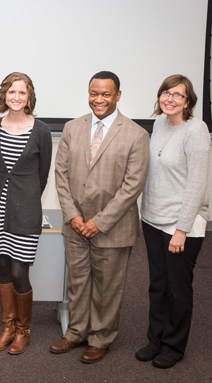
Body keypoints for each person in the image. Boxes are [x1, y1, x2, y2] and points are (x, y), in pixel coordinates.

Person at [51, 71, 150, 363]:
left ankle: (100, 338)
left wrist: (99, 222)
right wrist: (74, 216)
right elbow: (61, 175)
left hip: (112, 228)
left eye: (106, 94)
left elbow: (132, 186)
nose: (99, 99)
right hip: (76, 225)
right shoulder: (72, 128)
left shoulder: (135, 134)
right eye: (94, 93)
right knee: (77, 282)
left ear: (118, 96)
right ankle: (76, 333)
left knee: (108, 287)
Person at [135, 75, 210, 369]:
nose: (170, 99)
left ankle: (174, 346)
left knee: (178, 289)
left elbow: (196, 185)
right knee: (157, 285)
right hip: (154, 220)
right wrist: (146, 215)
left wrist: (181, 230)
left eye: (178, 95)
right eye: (166, 93)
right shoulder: (159, 124)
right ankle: (155, 339)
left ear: (188, 101)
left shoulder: (197, 130)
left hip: (181, 226)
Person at [0, 73, 52, 355]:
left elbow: (43, 175)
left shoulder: (42, 131)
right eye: (11, 92)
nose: (16, 97)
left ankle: (24, 331)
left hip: (26, 211)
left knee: (19, 271)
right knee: (2, 269)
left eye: (21, 93)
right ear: (4, 95)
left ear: (29, 97)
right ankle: (7, 327)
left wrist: (26, 202)